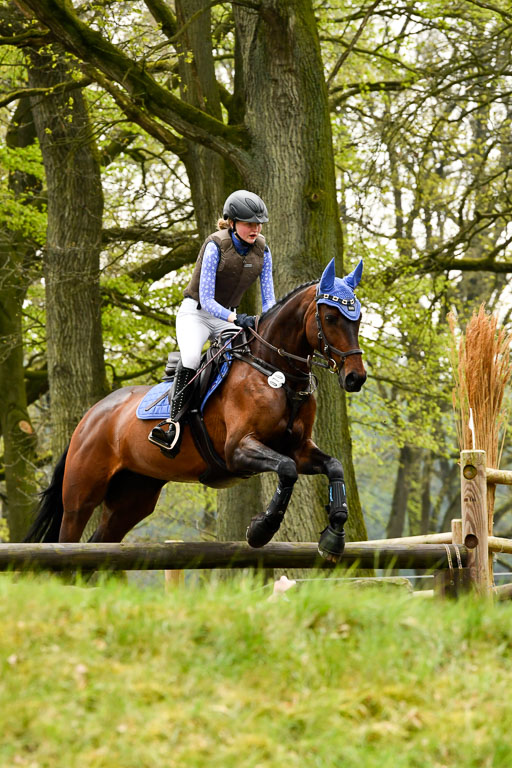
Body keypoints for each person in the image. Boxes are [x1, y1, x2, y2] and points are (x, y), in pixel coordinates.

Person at [149, 189, 276, 451]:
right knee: (194, 358)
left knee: (243, 356)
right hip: (195, 313)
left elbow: (269, 299)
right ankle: (171, 423)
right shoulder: (214, 245)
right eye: (249, 223)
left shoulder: (263, 251)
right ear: (232, 223)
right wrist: (236, 318)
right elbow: (206, 300)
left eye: (258, 223)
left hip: (227, 317)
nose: (255, 229)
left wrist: (269, 323)